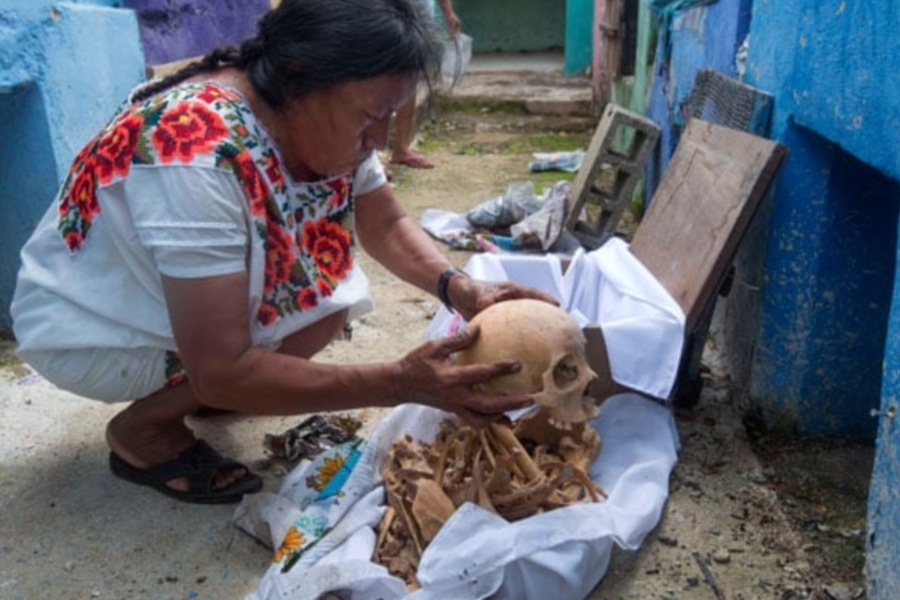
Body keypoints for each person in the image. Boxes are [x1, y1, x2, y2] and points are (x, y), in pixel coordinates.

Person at [10, 0, 554, 505]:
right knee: (242, 357)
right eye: (372, 118)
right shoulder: (195, 152)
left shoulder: (320, 107)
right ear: (298, 83)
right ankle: (144, 429)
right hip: (86, 327)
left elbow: (383, 220)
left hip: (151, 293)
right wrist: (399, 383)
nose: (383, 139)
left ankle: (209, 388)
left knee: (327, 303)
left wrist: (458, 287)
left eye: (393, 114)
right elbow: (222, 367)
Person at [386, 0, 461, 171]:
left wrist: (448, 12)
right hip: (388, 13)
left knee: (410, 78)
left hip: (419, 16)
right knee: (381, 80)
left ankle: (401, 150)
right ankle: (371, 159)